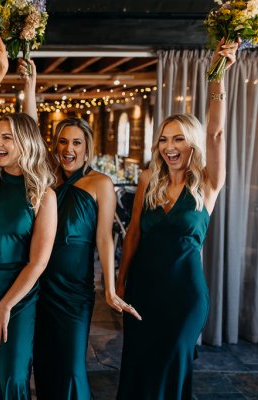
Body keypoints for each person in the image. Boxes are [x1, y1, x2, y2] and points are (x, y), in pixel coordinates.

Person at [115, 39, 239, 399]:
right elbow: (134, 231)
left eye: (179, 139)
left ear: (193, 144)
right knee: (139, 366)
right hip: (142, 291)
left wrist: (217, 75)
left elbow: (216, 132)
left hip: (185, 296)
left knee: (173, 363)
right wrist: (122, 280)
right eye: (164, 140)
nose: (170, 146)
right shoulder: (147, 181)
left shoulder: (209, 184)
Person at [16, 59, 141, 400]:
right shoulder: (49, 178)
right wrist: (30, 87)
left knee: (71, 366)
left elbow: (104, 238)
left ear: (87, 147)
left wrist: (111, 290)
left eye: (76, 143)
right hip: (41, 286)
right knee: (43, 363)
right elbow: (30, 133)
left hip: (75, 291)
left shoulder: (100, 183)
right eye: (62, 143)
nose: (68, 149)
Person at [0, 32, 57, 400]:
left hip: (19, 294)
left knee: (13, 379)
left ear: (26, 144)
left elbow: (38, 262)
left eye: (8, 138)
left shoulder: (42, 194)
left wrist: (7, 305)